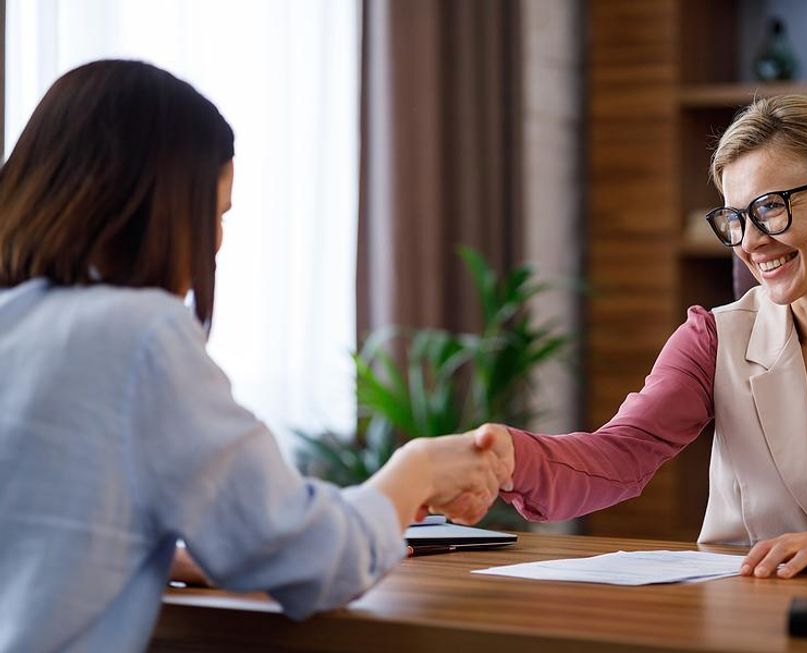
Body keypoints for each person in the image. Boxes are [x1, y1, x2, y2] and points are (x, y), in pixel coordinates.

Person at [0, 60, 510, 653]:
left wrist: (173, 553)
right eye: (213, 213)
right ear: (156, 206)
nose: (215, 241)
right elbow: (316, 561)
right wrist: (418, 468)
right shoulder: (138, 338)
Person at [476, 94, 807, 580]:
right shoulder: (713, 339)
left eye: (770, 208)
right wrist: (509, 460)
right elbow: (620, 455)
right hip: (753, 618)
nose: (751, 241)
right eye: (735, 219)